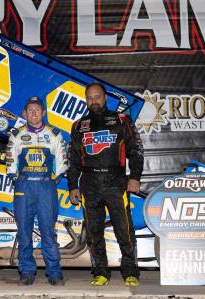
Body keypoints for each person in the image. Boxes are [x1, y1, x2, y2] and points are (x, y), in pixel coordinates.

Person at [67, 82, 144, 287]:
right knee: (94, 231)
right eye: (90, 98)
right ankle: (100, 272)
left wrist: (134, 177)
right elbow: (73, 159)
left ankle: (130, 272)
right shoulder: (78, 125)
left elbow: (135, 150)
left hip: (116, 182)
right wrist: (72, 185)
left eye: (97, 97)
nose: (94, 101)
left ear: (105, 98)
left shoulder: (122, 120)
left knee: (124, 229)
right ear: (86, 100)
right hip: (89, 183)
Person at [6, 96, 67, 286]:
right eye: (30, 110)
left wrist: (54, 179)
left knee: (48, 231)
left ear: (43, 112)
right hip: (24, 188)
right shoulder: (16, 134)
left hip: (45, 188)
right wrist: (16, 178)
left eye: (37, 110)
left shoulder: (54, 134)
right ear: (24, 113)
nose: (34, 114)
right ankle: (26, 272)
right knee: (24, 232)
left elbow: (63, 162)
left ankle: (54, 272)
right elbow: (10, 161)